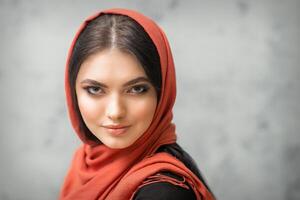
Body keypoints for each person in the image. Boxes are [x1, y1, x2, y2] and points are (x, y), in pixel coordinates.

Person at [59, 8, 215, 200]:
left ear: (162, 91)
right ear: (72, 90)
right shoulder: (85, 161)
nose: (115, 112)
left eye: (136, 89)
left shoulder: (164, 193)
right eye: (95, 89)